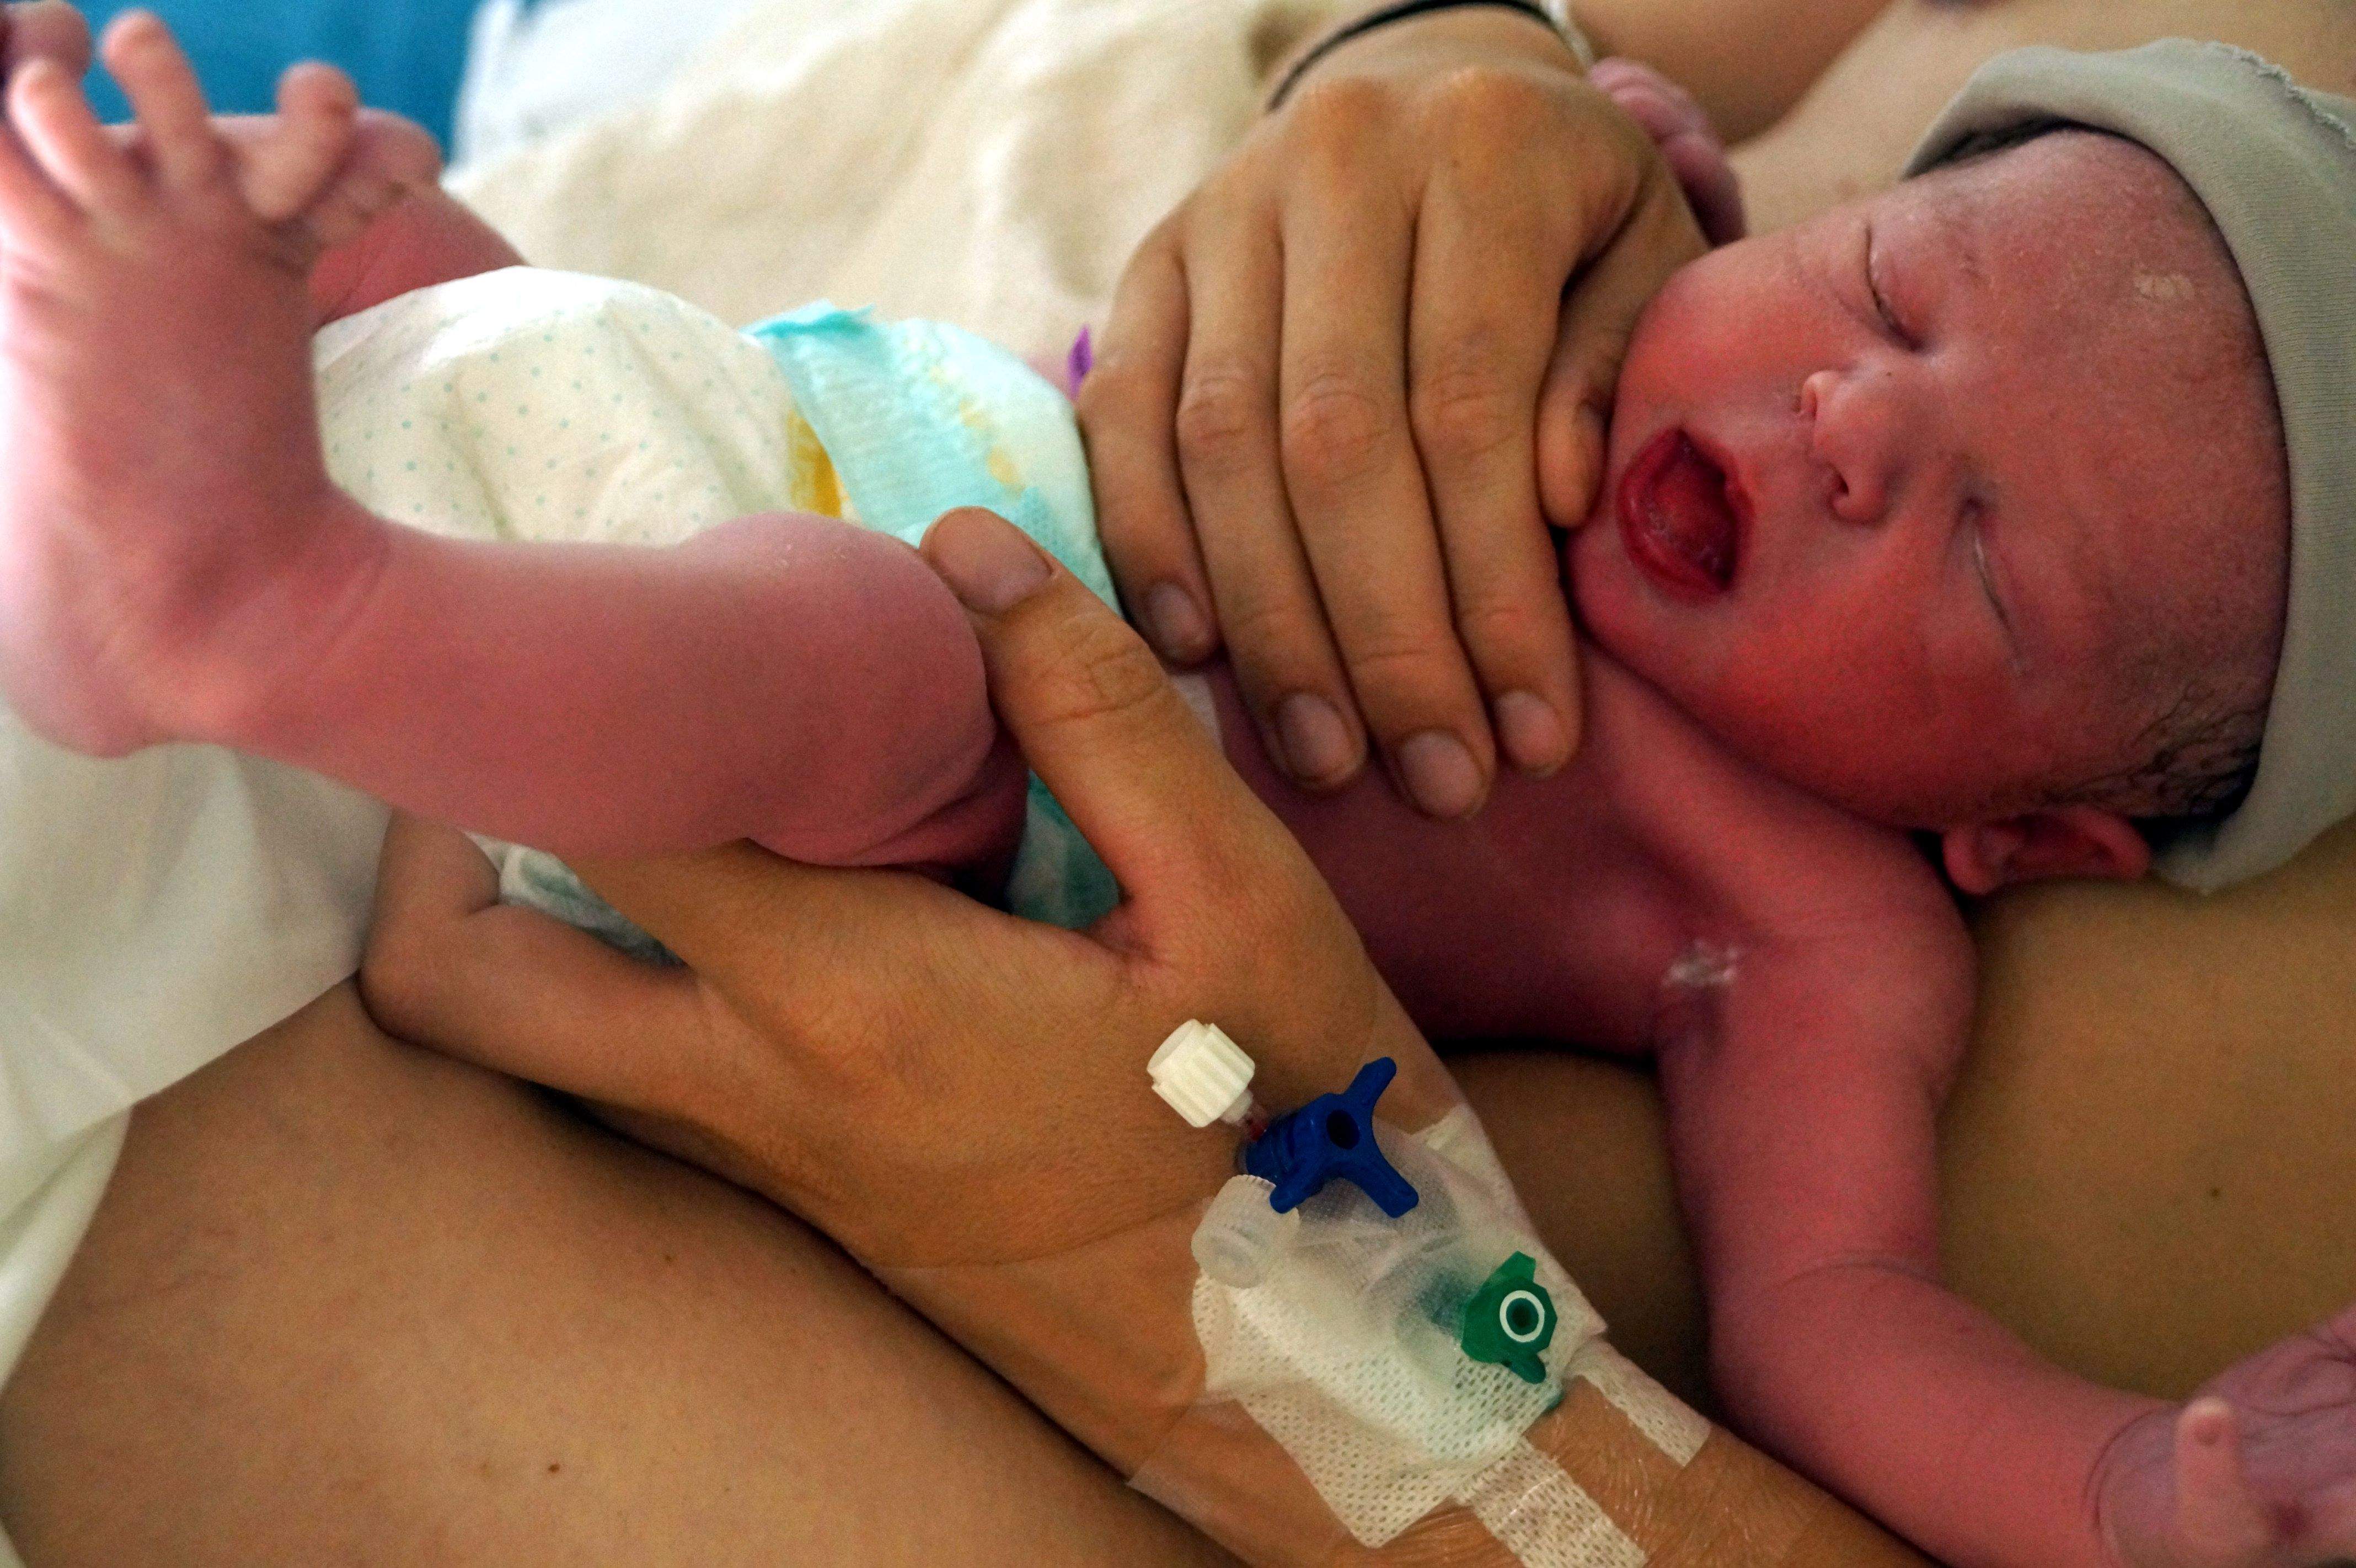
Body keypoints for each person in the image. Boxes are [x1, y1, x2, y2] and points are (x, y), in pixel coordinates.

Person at [4, 3, 2353, 1565]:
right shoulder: (1621, 312)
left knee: (887, 660)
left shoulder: (1816, 924)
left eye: (1984, 556)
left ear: (2031, 837)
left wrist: (2128, 1484)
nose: (1848, 433)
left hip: (926, 787)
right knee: (435, 275)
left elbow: (1836, 1324)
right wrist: (1564, 135)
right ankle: (157, 312)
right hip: (759, 416)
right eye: (1892, 291)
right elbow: (1536, 126)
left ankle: (256, 602)